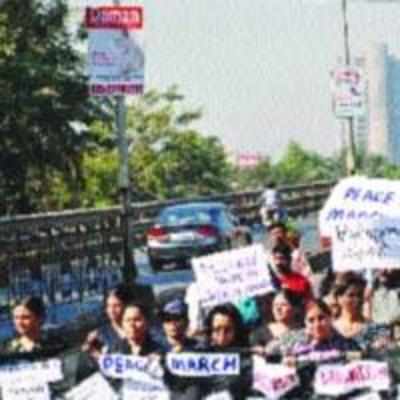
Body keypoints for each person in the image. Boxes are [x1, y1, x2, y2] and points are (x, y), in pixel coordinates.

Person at [202, 304, 252, 400]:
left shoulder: (247, 358)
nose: (222, 336)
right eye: (217, 330)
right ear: (210, 330)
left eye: (228, 330)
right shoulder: (199, 356)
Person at [333, 272, 392, 354]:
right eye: (351, 295)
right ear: (338, 298)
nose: (357, 300)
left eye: (360, 295)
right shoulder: (329, 329)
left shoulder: (376, 330)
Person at [159, 298, 202, 400]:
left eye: (177, 318)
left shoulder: (200, 349)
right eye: (167, 318)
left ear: (187, 321)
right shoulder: (154, 349)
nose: (172, 323)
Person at [250, 289, 304, 357]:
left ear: (294, 308)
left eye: (283, 305)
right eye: (275, 305)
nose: (278, 308)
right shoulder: (258, 334)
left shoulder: (304, 330)